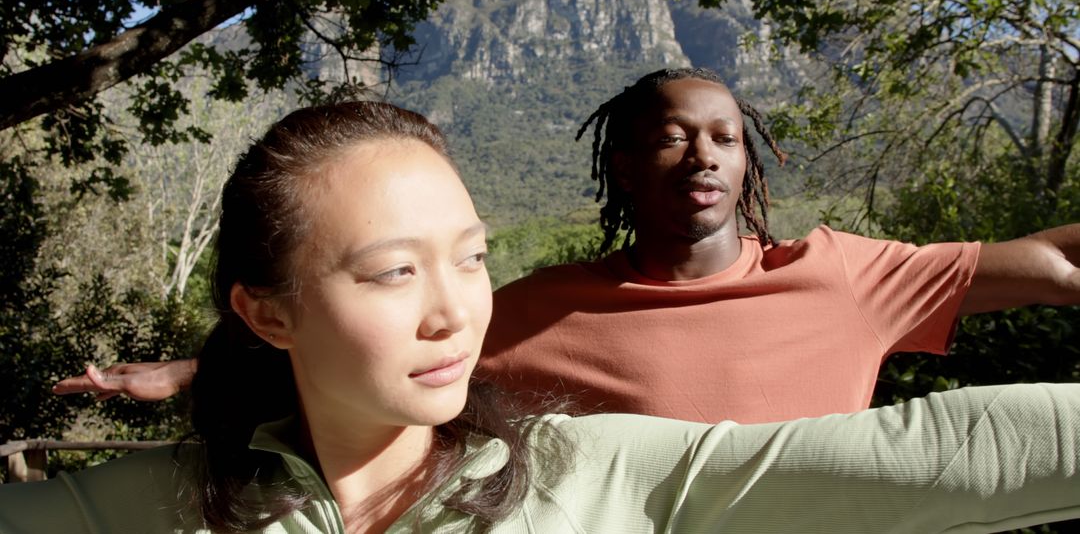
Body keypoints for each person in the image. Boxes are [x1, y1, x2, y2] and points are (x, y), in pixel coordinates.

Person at [9, 101, 1080, 533]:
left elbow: (930, 446)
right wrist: (184, 373)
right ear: (267, 311)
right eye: (394, 273)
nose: (454, 315)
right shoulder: (147, 510)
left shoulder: (591, 473)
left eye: (471, 260)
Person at [54, 68, 1080, 424]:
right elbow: (373, 361)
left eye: (725, 136)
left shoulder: (851, 276)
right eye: (671, 137)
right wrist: (182, 374)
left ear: (752, 161)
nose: (703, 155)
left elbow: (1056, 265)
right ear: (624, 169)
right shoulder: (545, 305)